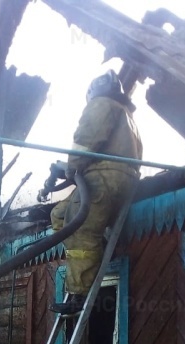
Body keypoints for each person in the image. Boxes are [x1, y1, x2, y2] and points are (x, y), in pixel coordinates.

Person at [50, 69, 143, 315]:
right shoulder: (128, 117)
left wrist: (72, 166)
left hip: (103, 178)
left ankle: (78, 295)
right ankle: (93, 249)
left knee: (80, 230)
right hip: (122, 180)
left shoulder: (101, 104)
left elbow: (86, 138)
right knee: (60, 215)